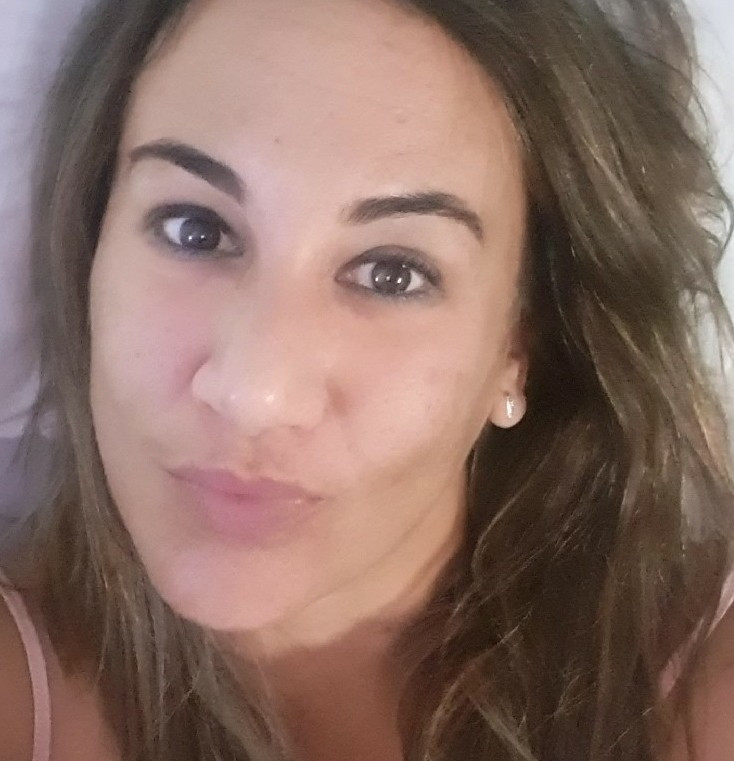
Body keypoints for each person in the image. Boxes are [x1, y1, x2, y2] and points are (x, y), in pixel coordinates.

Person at [0, 0, 733, 759]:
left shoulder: (698, 676)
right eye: (196, 229)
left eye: (392, 273)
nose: (255, 392)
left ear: (518, 343)